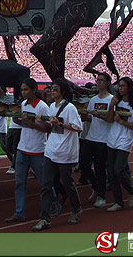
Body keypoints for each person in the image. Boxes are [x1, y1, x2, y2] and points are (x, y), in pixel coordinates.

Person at [32, 78, 83, 231]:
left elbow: (77, 127)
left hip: (65, 151)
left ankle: (76, 208)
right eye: (51, 88)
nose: (51, 91)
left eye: (55, 88)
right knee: (46, 185)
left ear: (62, 90)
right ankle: (45, 218)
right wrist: (42, 121)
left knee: (67, 182)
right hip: (51, 150)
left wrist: (59, 124)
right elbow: (51, 128)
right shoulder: (51, 107)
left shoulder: (70, 108)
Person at [5, 78, 51, 223]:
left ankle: (53, 203)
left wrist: (31, 123)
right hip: (22, 148)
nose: (23, 93)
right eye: (22, 90)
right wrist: (17, 119)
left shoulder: (42, 107)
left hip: (37, 150)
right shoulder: (24, 104)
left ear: (34, 90)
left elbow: (48, 128)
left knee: (44, 182)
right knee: (19, 182)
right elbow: (23, 124)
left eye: (26, 90)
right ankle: (19, 212)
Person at [104, 77, 133, 212]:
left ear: (130, 88)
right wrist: (111, 106)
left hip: (124, 141)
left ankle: (132, 189)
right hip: (112, 140)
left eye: (123, 86)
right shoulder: (116, 102)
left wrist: (122, 122)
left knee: (118, 169)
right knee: (111, 172)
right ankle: (118, 201)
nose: (120, 88)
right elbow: (109, 120)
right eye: (119, 86)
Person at [79, 72, 113, 208]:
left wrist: (98, 115)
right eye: (97, 80)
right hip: (91, 136)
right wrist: (84, 115)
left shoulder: (112, 100)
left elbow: (111, 119)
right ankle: (97, 187)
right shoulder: (93, 100)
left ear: (108, 83)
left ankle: (101, 196)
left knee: (99, 167)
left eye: (101, 80)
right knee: (83, 164)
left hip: (103, 138)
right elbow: (89, 119)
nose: (98, 83)